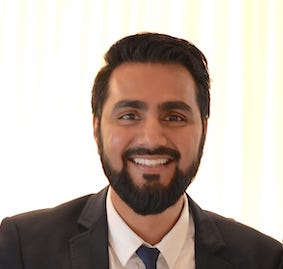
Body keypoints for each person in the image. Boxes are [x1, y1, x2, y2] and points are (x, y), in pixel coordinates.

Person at [0, 32, 282, 269]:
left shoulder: (265, 259)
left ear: (204, 130)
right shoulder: (22, 248)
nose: (151, 138)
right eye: (129, 115)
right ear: (96, 127)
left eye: (174, 117)